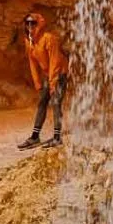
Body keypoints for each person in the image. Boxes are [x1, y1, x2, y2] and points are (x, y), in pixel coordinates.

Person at [17, 12, 69, 149]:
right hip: (48, 75)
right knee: (42, 103)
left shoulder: (49, 38)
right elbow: (32, 62)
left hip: (59, 74)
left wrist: (53, 82)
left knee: (56, 103)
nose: (30, 26)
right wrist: (37, 83)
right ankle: (35, 137)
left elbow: (55, 61)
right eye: (27, 23)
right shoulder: (29, 41)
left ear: (39, 24)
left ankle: (57, 137)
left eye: (33, 23)